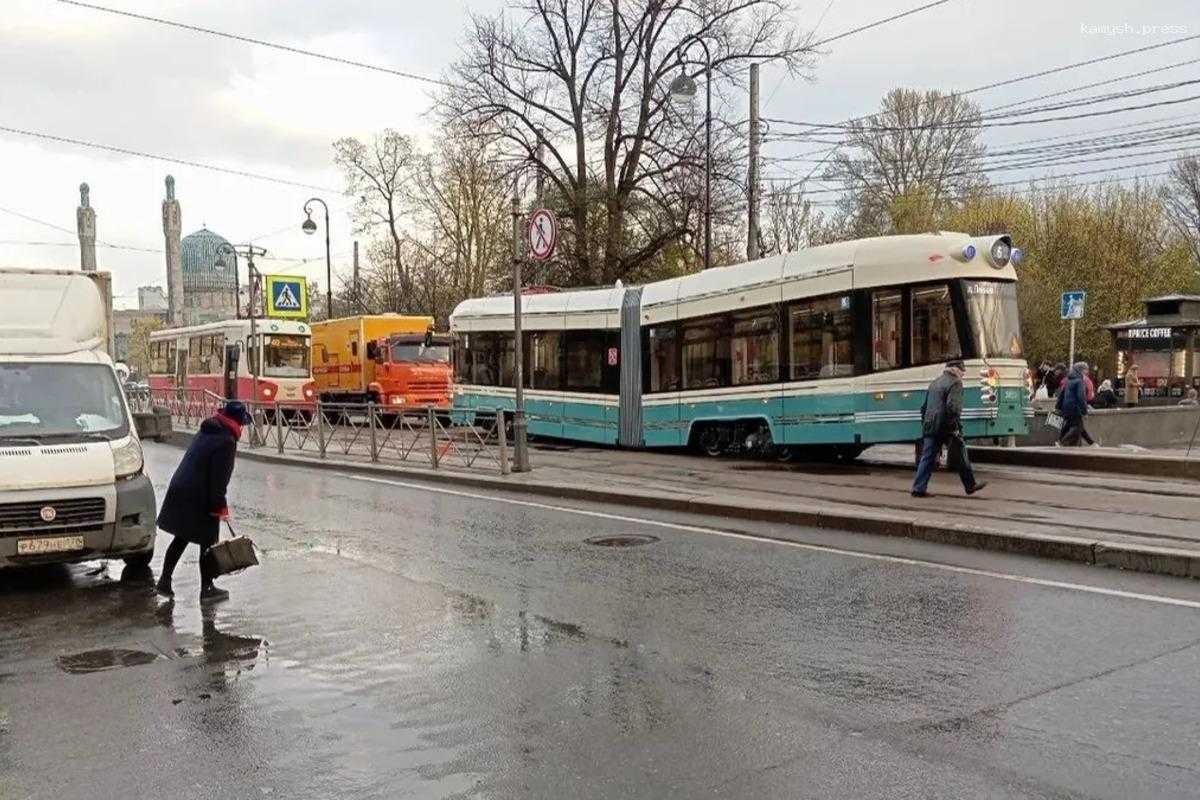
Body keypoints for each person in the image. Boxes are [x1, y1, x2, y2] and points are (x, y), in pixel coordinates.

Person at [155, 400, 253, 602]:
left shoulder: (210, 430)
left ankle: (164, 581)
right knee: (207, 543)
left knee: (181, 537)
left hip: (182, 489)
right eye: (243, 423)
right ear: (238, 423)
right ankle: (207, 589)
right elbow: (218, 480)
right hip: (199, 495)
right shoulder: (226, 441)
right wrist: (220, 506)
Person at [911, 359, 987, 498]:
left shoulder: (935, 382)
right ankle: (970, 485)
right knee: (961, 454)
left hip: (930, 425)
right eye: (962, 371)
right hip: (946, 426)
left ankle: (918, 488)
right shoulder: (955, 383)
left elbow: (924, 408)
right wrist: (955, 427)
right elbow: (953, 407)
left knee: (927, 458)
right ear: (956, 370)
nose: (963, 374)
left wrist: (926, 423)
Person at [1056, 362, 1096, 447]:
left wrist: (1058, 406)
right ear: (1081, 370)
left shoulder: (1069, 380)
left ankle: (1092, 443)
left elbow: (1062, 394)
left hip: (1067, 407)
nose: (1087, 372)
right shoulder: (1079, 381)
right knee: (1077, 427)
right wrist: (1084, 412)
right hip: (1075, 407)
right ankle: (1062, 442)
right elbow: (1081, 397)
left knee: (1073, 425)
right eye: (1086, 369)